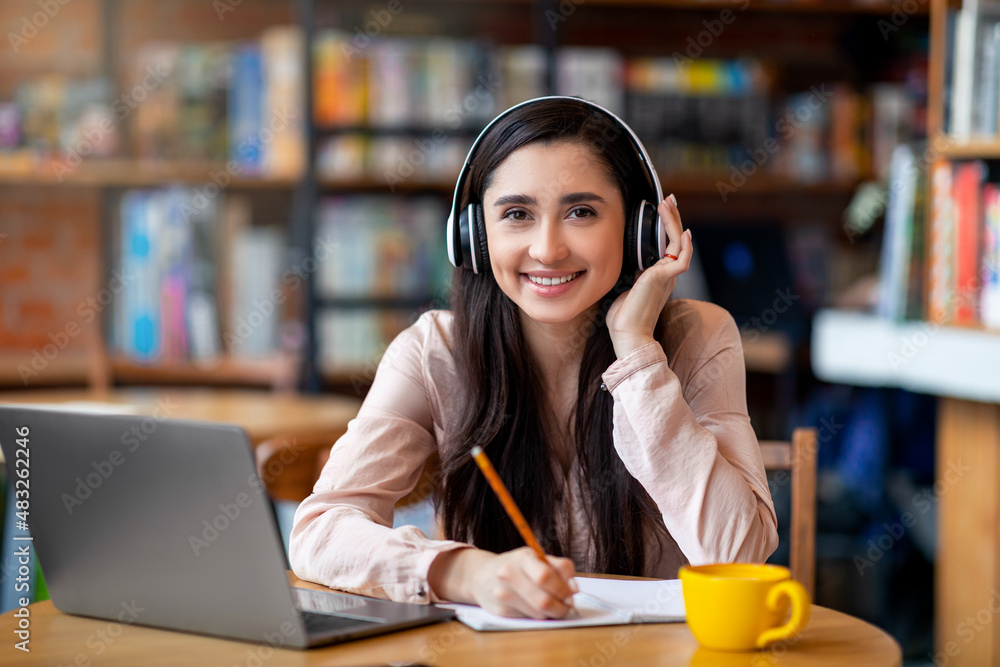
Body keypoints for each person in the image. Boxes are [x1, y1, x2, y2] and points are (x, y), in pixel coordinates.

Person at [290, 97, 778, 620]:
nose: (547, 250)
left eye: (581, 212)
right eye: (517, 214)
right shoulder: (435, 352)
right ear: (475, 237)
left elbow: (736, 554)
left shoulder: (698, 337)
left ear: (642, 231)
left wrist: (637, 351)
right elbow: (321, 531)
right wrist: (466, 573)